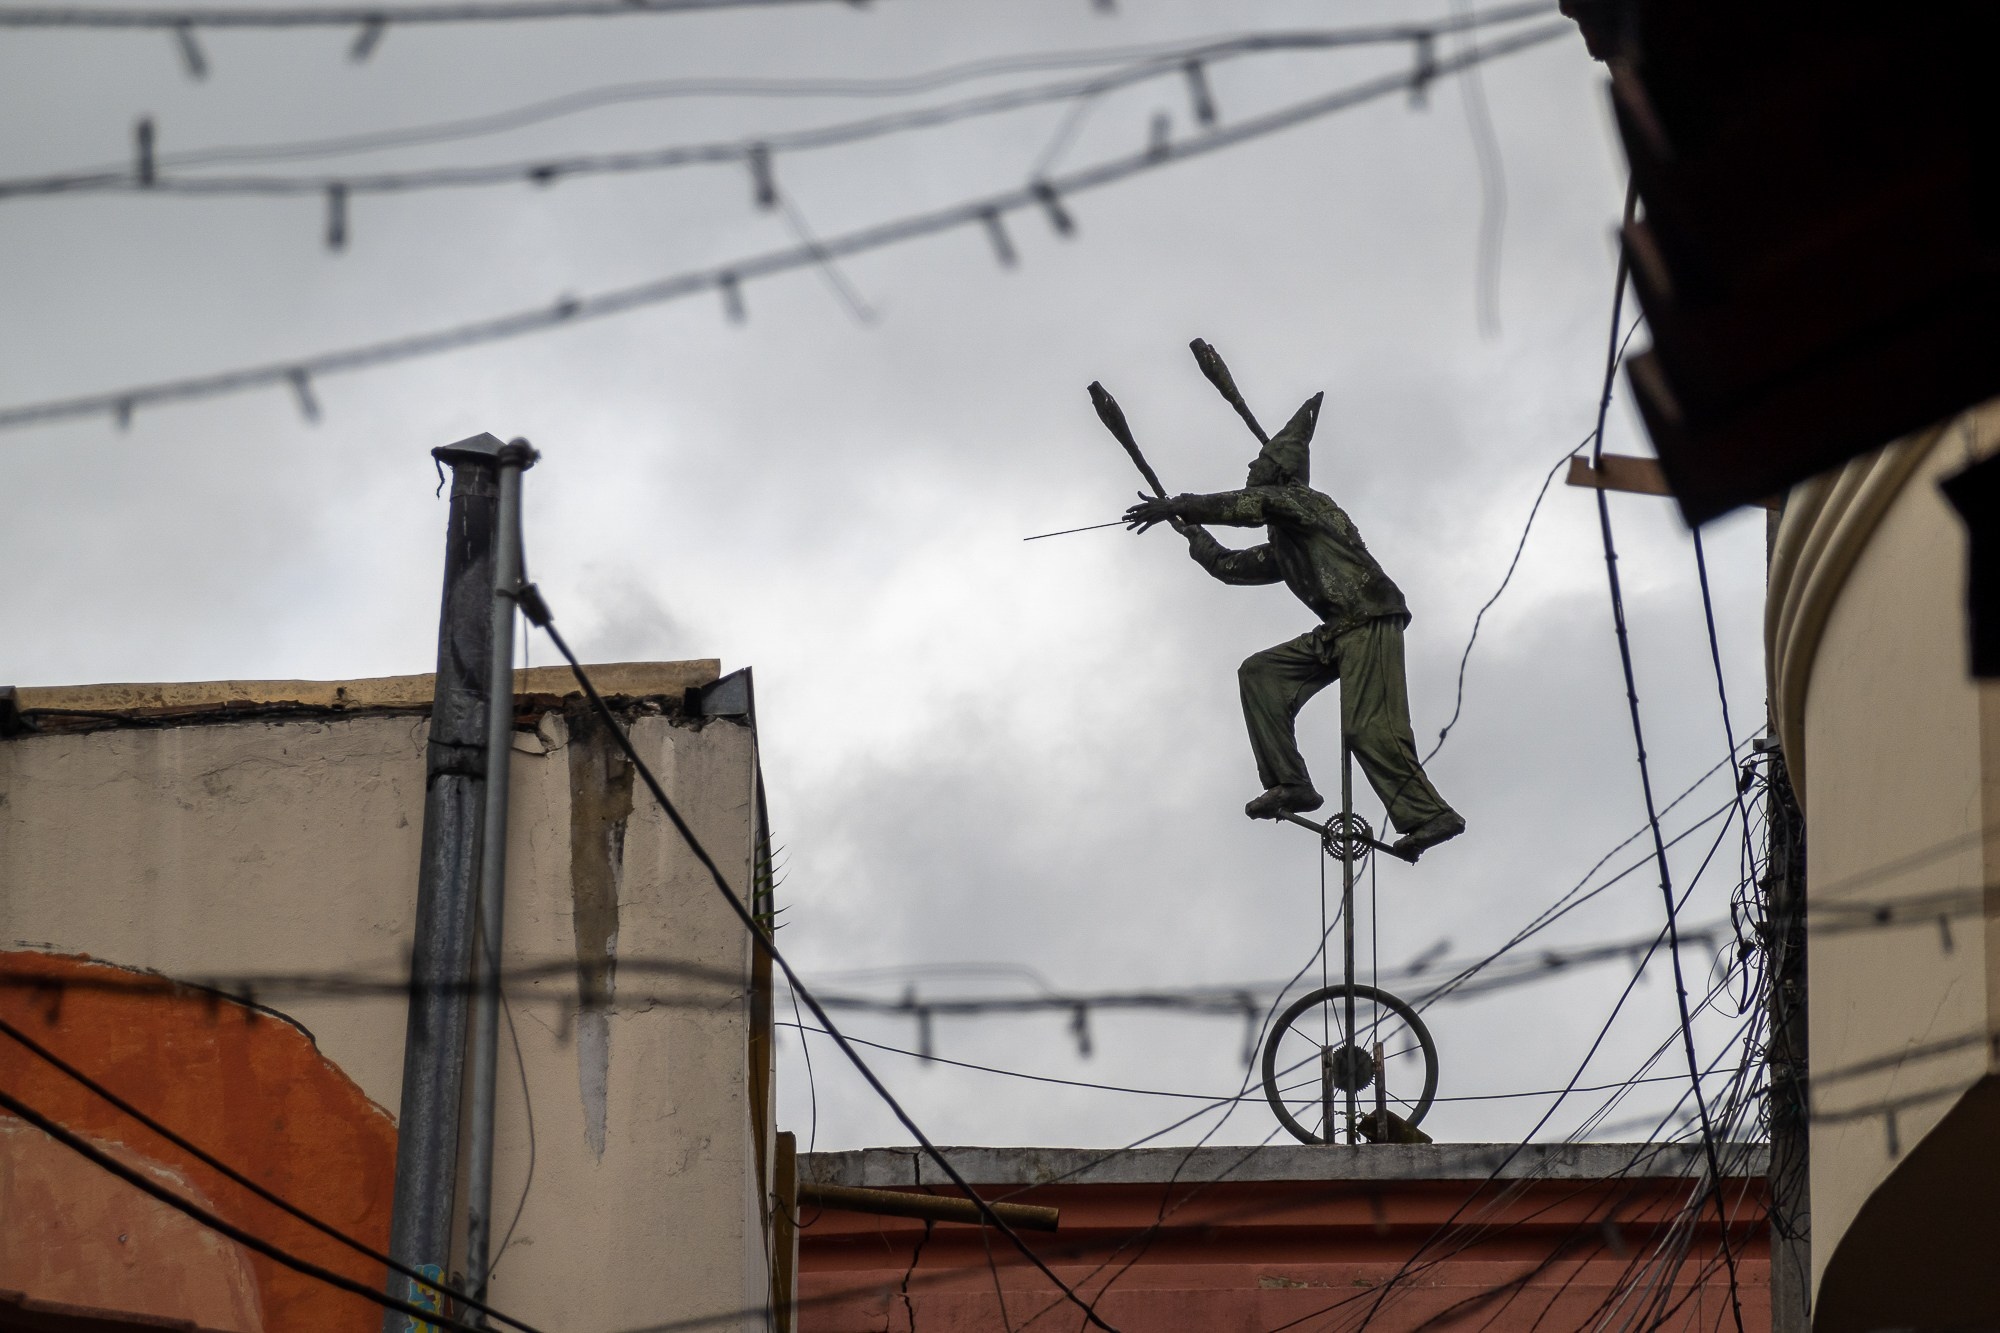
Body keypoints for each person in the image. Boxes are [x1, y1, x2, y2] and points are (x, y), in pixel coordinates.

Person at [1123, 392, 1465, 860]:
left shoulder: (1308, 506)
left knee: (1368, 728)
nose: (1249, 475)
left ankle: (1429, 816)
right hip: (1338, 631)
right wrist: (1193, 533)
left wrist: (1183, 504)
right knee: (1260, 674)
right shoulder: (1288, 541)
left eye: (1256, 469)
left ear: (1278, 474)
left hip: (1369, 620)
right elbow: (1230, 566)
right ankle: (1290, 782)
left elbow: (1252, 504)